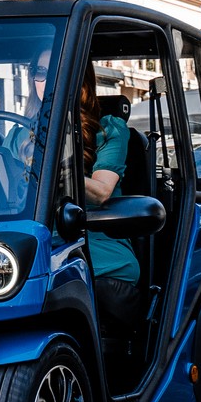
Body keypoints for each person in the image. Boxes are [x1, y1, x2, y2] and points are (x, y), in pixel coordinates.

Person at [78, 84, 142, 330]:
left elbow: (102, 192)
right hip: (37, 238)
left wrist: (56, 174)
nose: (46, 80)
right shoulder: (18, 135)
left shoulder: (107, 130)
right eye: (39, 73)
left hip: (93, 238)